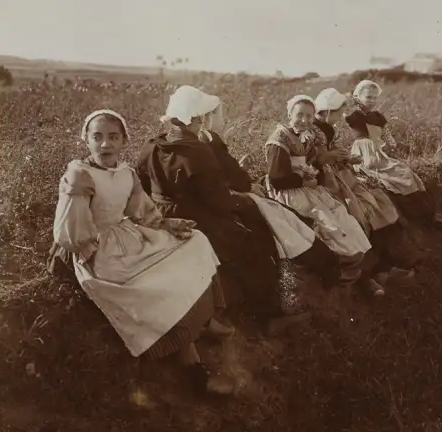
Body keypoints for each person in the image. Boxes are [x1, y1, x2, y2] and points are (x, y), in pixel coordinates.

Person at [50, 109, 235, 396]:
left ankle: (205, 321)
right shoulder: (80, 175)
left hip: (127, 235)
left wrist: (168, 223)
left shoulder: (125, 174)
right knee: (157, 285)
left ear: (124, 140)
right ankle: (193, 367)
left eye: (113, 137)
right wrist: (88, 249)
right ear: (84, 139)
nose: (105, 144)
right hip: (101, 249)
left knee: (196, 242)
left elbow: (142, 212)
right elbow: (70, 227)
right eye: (97, 137)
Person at [137, 86, 341, 322]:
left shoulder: (152, 146)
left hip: (165, 211)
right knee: (254, 243)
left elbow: (142, 184)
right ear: (197, 119)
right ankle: (268, 315)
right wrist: (243, 201)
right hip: (195, 215)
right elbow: (220, 201)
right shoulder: (198, 152)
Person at [264, 94, 385, 297]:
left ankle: (359, 270)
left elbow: (313, 165)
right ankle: (344, 272)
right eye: (299, 115)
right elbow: (277, 179)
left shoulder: (306, 136)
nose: (304, 120)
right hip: (288, 192)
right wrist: (304, 179)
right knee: (325, 221)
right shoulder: (278, 140)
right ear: (289, 114)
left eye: (309, 117)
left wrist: (314, 174)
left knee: (341, 214)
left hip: (306, 187)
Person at [313, 87, 423, 280]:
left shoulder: (328, 129)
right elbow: (311, 160)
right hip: (324, 181)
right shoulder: (312, 131)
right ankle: (375, 272)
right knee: (362, 213)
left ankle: (387, 264)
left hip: (339, 175)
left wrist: (347, 159)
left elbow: (336, 153)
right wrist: (331, 159)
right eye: (338, 113)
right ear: (329, 112)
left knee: (379, 203)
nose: (340, 117)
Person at [344, 80, 442, 229]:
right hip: (365, 154)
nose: (371, 101)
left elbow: (385, 133)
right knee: (401, 174)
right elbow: (345, 114)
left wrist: (391, 143)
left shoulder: (377, 116)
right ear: (358, 97)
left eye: (374, 97)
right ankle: (427, 218)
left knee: (409, 174)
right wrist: (348, 99)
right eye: (367, 97)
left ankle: (431, 214)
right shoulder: (355, 115)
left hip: (378, 152)